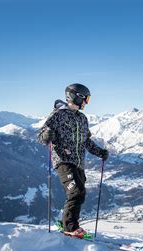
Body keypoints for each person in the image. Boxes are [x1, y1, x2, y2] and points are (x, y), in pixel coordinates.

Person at [38, 83, 109, 237]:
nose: (86, 103)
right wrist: (47, 136)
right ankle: (70, 227)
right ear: (77, 97)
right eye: (86, 99)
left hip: (78, 164)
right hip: (63, 161)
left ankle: (66, 223)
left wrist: (100, 152)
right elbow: (41, 137)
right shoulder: (58, 115)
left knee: (78, 194)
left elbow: (87, 142)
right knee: (76, 192)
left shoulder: (82, 119)